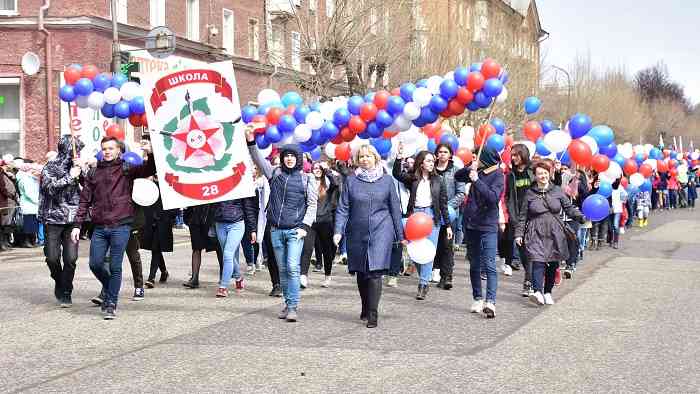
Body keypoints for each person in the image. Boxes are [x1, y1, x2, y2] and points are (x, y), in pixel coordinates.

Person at [71, 136, 155, 320]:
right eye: (105, 149)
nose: (107, 151)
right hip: (100, 226)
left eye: (111, 148)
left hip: (121, 225)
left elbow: (150, 168)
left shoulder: (126, 168)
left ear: (118, 151)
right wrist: (77, 225)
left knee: (115, 266)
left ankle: (111, 303)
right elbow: (84, 200)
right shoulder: (93, 173)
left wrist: (151, 151)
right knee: (95, 264)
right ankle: (110, 289)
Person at [246, 125, 318, 322]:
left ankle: (293, 306)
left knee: (293, 267)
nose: (289, 158)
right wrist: (251, 140)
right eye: (286, 155)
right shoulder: (274, 174)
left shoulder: (307, 179)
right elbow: (258, 159)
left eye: (293, 156)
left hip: (296, 231)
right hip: (276, 230)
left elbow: (312, 205)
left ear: (298, 159)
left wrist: (304, 226)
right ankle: (288, 303)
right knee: (283, 269)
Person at [334, 144, 404, 328]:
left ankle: (373, 314)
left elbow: (395, 209)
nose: (365, 159)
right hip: (357, 230)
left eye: (368, 156)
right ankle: (365, 306)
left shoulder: (387, 180)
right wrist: (338, 231)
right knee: (361, 271)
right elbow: (343, 207)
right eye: (361, 157)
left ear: (376, 158)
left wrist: (400, 234)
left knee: (375, 272)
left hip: (382, 229)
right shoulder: (351, 181)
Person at [515, 161, 585, 306]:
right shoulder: (529, 193)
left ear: (550, 173)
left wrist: (581, 217)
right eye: (540, 173)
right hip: (535, 231)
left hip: (555, 231)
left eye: (545, 172)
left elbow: (568, 207)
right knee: (537, 261)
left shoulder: (557, 190)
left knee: (553, 263)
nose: (543, 176)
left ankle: (547, 292)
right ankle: (538, 292)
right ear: (535, 175)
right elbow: (523, 216)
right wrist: (519, 234)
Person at [393, 148, 450, 300]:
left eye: (433, 161)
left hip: (432, 216)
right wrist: (399, 158)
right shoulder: (413, 178)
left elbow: (443, 203)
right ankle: (424, 276)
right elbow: (397, 174)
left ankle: (423, 284)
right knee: (415, 251)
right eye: (429, 161)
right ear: (421, 163)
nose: (432, 163)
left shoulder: (439, 180)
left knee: (429, 252)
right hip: (415, 216)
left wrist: (448, 225)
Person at [455, 146, 504, 318]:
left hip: (488, 225)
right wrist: (470, 167)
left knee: (489, 263)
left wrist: (477, 181)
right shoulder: (477, 170)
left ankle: (490, 301)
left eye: (478, 156)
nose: (476, 158)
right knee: (474, 264)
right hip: (471, 224)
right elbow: (457, 176)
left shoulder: (498, 175)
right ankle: (477, 297)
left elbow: (492, 198)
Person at [38, 135, 84, 306]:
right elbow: (49, 188)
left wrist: (82, 173)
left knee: (71, 259)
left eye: (78, 150)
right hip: (53, 218)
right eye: (74, 149)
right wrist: (70, 177)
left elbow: (89, 189)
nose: (76, 153)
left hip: (73, 220)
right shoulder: (50, 167)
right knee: (52, 257)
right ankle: (60, 281)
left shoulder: (79, 167)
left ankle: (66, 291)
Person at [301, 162, 340, 288]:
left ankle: (328, 275)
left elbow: (336, 183)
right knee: (307, 248)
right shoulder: (308, 182)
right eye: (315, 168)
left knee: (326, 250)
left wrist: (327, 170)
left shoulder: (328, 183)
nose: (317, 170)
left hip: (325, 220)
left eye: (319, 168)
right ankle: (303, 276)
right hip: (310, 220)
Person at [433, 143, 465, 290]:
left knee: (447, 245)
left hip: (449, 215)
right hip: (431, 214)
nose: (442, 154)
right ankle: (434, 272)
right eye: (439, 152)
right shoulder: (430, 170)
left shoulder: (456, 172)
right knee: (436, 245)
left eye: (445, 152)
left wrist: (447, 208)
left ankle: (447, 277)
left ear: (450, 155)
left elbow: (461, 193)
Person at [503, 144, 534, 295]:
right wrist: (511, 216)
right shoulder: (510, 175)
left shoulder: (533, 172)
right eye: (512, 155)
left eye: (517, 155)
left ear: (524, 155)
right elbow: (507, 196)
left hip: (534, 217)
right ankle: (530, 277)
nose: (514, 158)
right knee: (522, 251)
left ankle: (529, 281)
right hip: (518, 218)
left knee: (533, 250)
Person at [213, 193, 257, 298]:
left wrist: (253, 229)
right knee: (229, 255)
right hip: (220, 223)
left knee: (228, 255)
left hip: (236, 224)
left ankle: (223, 287)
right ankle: (238, 277)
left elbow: (248, 207)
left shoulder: (239, 183)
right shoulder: (215, 181)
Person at [141, 184, 176, 289]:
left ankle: (151, 278)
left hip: (163, 220)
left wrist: (170, 218)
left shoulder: (169, 185)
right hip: (151, 220)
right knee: (155, 248)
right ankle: (164, 271)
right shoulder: (150, 185)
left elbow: (174, 205)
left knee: (156, 248)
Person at [183, 203, 223, 288]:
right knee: (196, 248)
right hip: (195, 218)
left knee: (218, 247)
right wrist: (188, 217)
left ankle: (223, 275)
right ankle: (194, 278)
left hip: (212, 218)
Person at [16, 163, 41, 247]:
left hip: (33, 205)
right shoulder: (25, 179)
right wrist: (37, 201)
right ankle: (26, 241)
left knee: (33, 224)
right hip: (28, 204)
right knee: (28, 224)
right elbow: (28, 193)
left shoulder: (32, 179)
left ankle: (31, 241)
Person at [610, 178, 628, 249]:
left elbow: (625, 195)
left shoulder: (620, 187)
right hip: (610, 209)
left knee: (615, 225)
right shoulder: (609, 186)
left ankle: (615, 242)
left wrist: (622, 201)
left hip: (617, 209)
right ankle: (611, 240)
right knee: (610, 226)